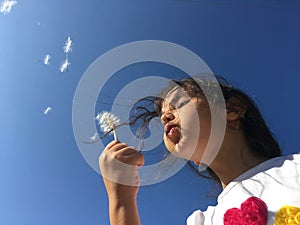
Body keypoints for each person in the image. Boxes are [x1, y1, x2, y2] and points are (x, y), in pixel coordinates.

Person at [99, 75, 300, 225]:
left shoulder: (295, 169)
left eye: (178, 103)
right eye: (162, 117)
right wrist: (121, 200)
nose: (164, 118)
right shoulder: (203, 221)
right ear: (196, 160)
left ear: (231, 110)